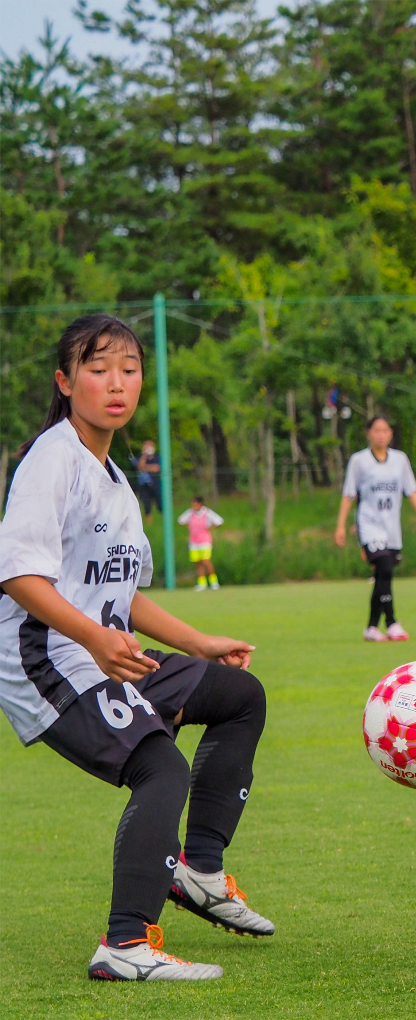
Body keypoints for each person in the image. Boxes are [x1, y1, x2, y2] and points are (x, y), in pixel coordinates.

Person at [0, 313, 275, 982]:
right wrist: (94, 638)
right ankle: (125, 945)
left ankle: (199, 869)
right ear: (65, 382)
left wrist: (198, 642)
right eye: (98, 369)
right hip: (45, 660)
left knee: (239, 696)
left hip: (102, 650)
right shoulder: (52, 459)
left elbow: (124, 595)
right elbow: (17, 576)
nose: (116, 383)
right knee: (162, 770)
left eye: (129, 370)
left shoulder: (117, 479)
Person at [334, 415, 416, 642]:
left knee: (382, 575)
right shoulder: (359, 460)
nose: (381, 435)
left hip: (391, 528)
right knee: (385, 567)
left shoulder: (400, 459)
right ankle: (392, 623)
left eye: (385, 430)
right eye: (376, 430)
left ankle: (371, 628)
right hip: (368, 525)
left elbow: (411, 489)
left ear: (391, 434)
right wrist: (341, 526)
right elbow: (349, 494)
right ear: (368, 433)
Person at [178, 496, 225, 591]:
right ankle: (202, 583)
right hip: (194, 541)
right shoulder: (190, 513)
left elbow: (219, 521)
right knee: (198, 562)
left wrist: (209, 528)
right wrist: (189, 526)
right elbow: (181, 520)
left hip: (205, 541)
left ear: (200, 504)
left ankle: (214, 582)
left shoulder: (207, 513)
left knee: (206, 560)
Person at [135, 440, 159, 523]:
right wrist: (144, 455)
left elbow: (156, 468)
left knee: (159, 501)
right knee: (146, 502)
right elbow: (140, 467)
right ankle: (149, 521)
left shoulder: (157, 458)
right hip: (143, 485)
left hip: (155, 483)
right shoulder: (139, 458)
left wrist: (145, 467)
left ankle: (164, 516)